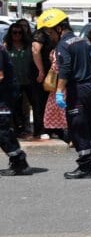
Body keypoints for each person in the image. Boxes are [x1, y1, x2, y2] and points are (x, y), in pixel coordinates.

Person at [37, 9, 91, 179]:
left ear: (58, 28)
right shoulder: (83, 42)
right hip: (89, 88)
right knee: (89, 125)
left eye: (49, 31)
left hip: (76, 89)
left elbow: (65, 69)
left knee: (77, 128)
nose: (49, 36)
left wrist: (60, 92)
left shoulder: (63, 44)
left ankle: (84, 166)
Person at [0, 40, 31, 176]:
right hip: (5, 94)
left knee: (2, 131)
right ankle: (19, 159)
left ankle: (19, 162)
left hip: (4, 96)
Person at [4, 21, 33, 137]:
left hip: (27, 80)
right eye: (14, 32)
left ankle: (26, 127)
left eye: (20, 32)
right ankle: (16, 128)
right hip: (12, 81)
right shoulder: (6, 46)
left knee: (27, 106)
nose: (17, 35)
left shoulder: (28, 46)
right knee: (14, 106)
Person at [30, 18, 53, 139]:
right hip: (41, 72)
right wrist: (41, 70)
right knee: (40, 101)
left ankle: (49, 127)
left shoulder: (49, 34)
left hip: (50, 71)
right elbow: (35, 50)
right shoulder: (40, 34)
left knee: (49, 100)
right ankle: (41, 129)